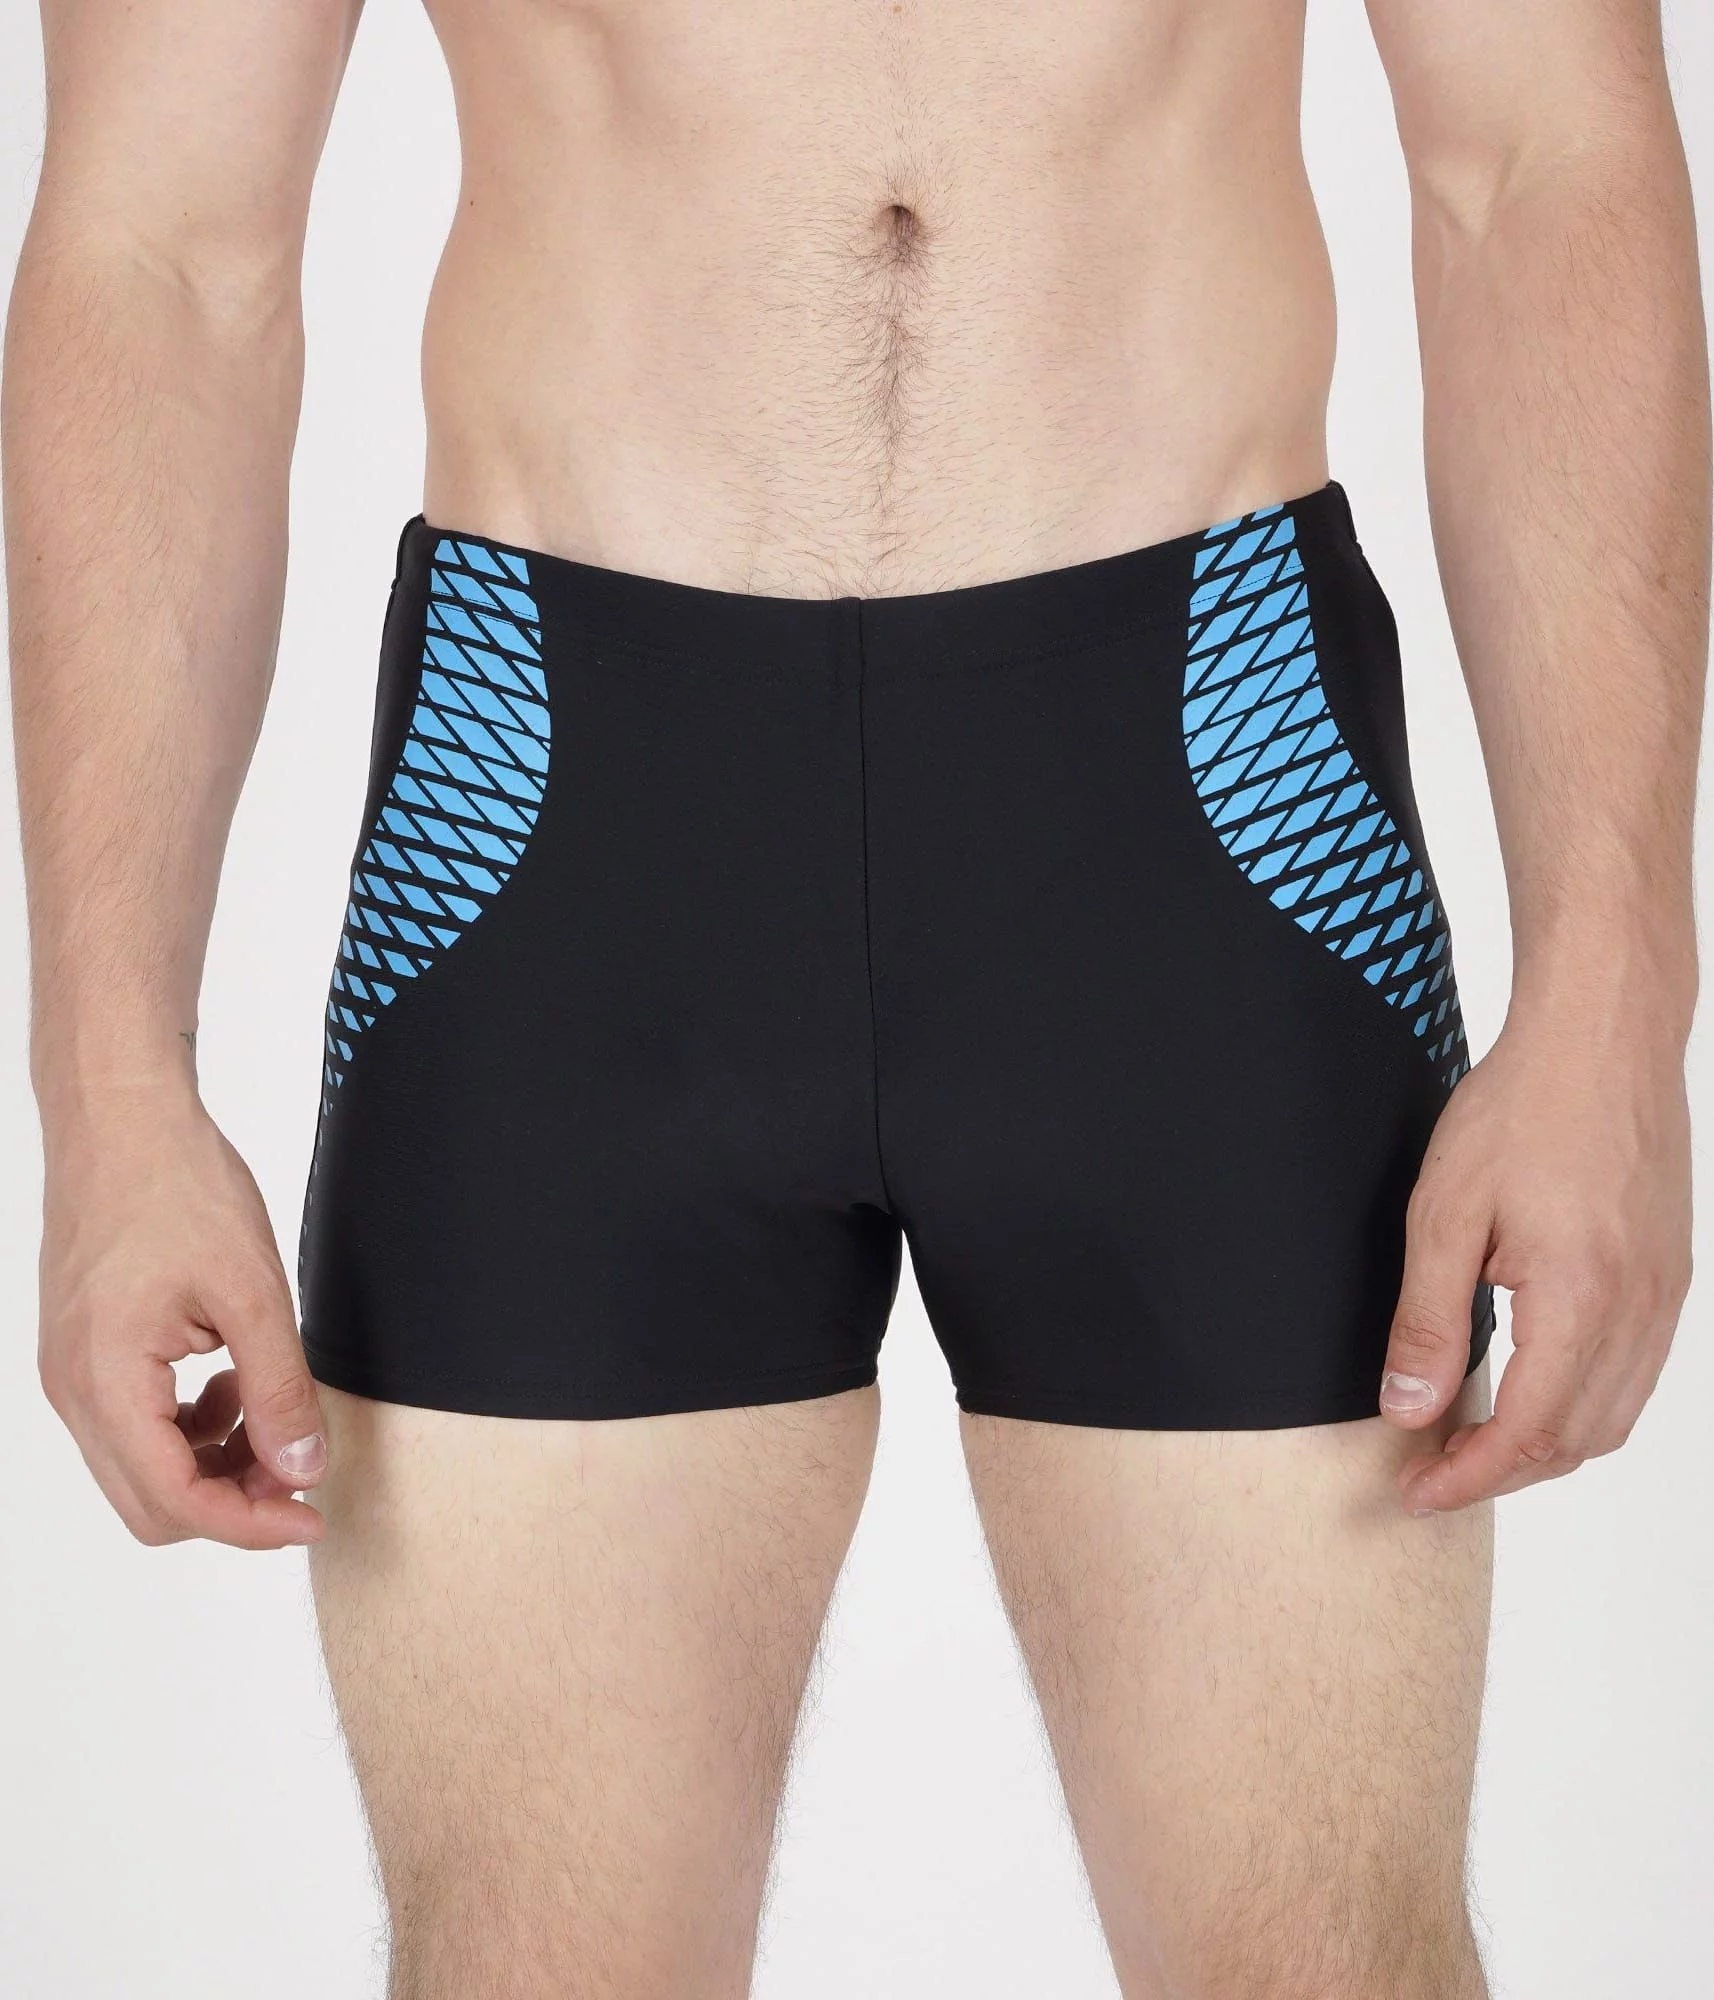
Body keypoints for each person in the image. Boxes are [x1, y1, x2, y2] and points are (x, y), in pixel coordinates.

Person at [5, 0, 1705, 1993]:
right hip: (557, 809)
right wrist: (108, 1083)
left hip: (1208, 784)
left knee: (1325, 1963)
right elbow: (162, 246)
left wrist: (1613, 992)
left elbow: (1534, 162)